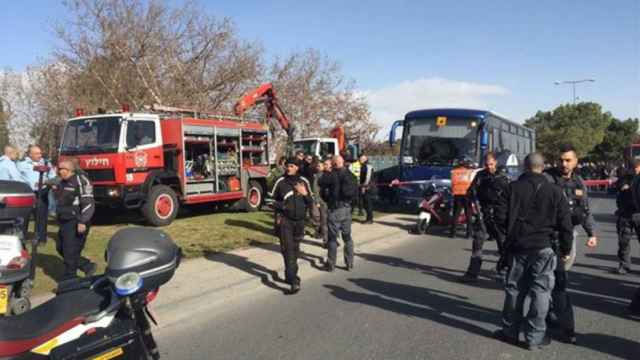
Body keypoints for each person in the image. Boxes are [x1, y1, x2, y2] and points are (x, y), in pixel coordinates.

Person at [495, 152, 573, 351]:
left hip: (518, 247)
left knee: (514, 290)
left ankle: (510, 332)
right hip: (545, 247)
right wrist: (565, 248)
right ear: (543, 166)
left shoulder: (511, 188)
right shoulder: (555, 191)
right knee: (541, 292)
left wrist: (510, 233)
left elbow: (499, 217)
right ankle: (534, 338)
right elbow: (566, 224)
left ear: (523, 166)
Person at [543, 144, 598, 344]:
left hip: (569, 236)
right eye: (561, 160)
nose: (563, 163)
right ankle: (553, 315)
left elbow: (585, 210)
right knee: (553, 280)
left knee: (560, 276)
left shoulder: (579, 182)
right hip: (548, 236)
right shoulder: (547, 179)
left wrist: (591, 232)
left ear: (576, 161)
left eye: (568, 160)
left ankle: (552, 309)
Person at [460, 152, 510, 282]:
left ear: (496, 163)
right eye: (487, 164)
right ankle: (472, 273)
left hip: (500, 216)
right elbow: (471, 192)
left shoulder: (503, 177)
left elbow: (511, 198)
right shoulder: (480, 175)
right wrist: (473, 203)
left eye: (491, 164)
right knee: (477, 242)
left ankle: (505, 271)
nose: (489, 167)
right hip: (484, 214)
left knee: (503, 245)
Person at [271, 158, 313, 294]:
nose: (288, 168)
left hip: (300, 222)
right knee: (288, 250)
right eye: (287, 166)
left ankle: (290, 275)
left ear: (297, 168)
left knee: (295, 251)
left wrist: (305, 193)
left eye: (291, 166)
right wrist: (282, 206)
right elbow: (268, 200)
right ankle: (294, 281)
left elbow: (311, 202)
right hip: (285, 221)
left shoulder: (304, 181)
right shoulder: (280, 182)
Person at [52, 159, 97, 280]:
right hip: (64, 221)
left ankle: (70, 279)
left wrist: (82, 221)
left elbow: (88, 203)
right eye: (59, 168)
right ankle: (87, 265)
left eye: (62, 169)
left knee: (69, 251)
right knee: (60, 247)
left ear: (70, 170)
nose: (59, 171)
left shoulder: (81, 181)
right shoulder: (61, 182)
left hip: (77, 221)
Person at [319, 155, 358, 271]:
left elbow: (321, 183)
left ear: (334, 164)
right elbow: (355, 193)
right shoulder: (351, 175)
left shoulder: (332, 175)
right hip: (347, 209)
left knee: (332, 238)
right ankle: (349, 263)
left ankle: (331, 264)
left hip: (335, 209)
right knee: (347, 237)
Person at [18, 145, 56, 243]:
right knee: (24, 216)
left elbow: (53, 176)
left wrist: (48, 183)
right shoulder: (21, 164)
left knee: (41, 216)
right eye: (37, 153)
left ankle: (40, 238)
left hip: (42, 192)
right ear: (30, 154)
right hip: (27, 192)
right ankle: (22, 237)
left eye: (40, 153)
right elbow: (17, 177)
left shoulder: (46, 163)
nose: (40, 155)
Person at [614, 156, 640, 275]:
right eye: (633, 167)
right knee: (624, 242)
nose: (635, 169)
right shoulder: (624, 179)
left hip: (638, 214)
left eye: (637, 166)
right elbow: (618, 188)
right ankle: (624, 265)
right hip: (625, 214)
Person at [450, 157, 477, 238]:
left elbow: (452, 183)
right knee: (468, 215)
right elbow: (473, 183)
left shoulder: (453, 172)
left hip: (457, 194)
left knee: (456, 215)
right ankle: (469, 234)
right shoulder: (470, 172)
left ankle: (453, 233)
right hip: (467, 195)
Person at [312, 160, 329, 247]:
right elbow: (315, 189)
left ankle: (330, 239)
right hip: (322, 201)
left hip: (330, 202)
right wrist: (317, 201)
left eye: (320, 166)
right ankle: (326, 240)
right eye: (317, 166)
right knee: (324, 221)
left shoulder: (329, 174)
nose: (318, 167)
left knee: (329, 222)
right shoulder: (318, 176)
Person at [358, 154, 375, 224]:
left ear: (365, 159)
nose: (360, 160)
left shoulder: (368, 166)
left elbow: (367, 178)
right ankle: (368, 218)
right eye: (360, 158)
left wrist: (364, 187)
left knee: (368, 204)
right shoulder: (362, 166)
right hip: (364, 187)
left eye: (362, 159)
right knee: (365, 203)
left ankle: (370, 219)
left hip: (368, 188)